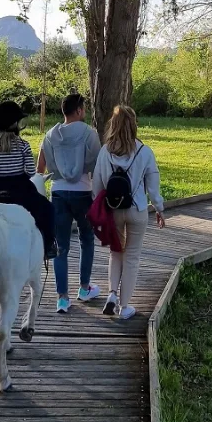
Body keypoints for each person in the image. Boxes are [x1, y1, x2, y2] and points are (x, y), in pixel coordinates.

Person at [92, 106, 165, 320]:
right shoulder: (144, 152)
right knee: (131, 257)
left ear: (112, 125)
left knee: (115, 254)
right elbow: (153, 188)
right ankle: (125, 307)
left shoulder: (105, 152)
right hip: (137, 210)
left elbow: (97, 186)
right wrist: (159, 209)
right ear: (134, 126)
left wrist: (101, 207)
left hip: (114, 210)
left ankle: (112, 294)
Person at [37, 93, 102, 314]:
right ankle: (84, 288)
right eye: (83, 108)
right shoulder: (89, 134)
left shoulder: (50, 135)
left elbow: (41, 167)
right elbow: (97, 164)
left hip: (58, 193)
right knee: (86, 239)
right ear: (79, 110)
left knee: (61, 247)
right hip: (83, 192)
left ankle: (62, 299)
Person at [0, 101, 57, 259]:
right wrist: (22, 174)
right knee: (48, 209)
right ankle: (48, 246)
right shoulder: (23, 145)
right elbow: (30, 171)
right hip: (20, 186)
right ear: (14, 123)